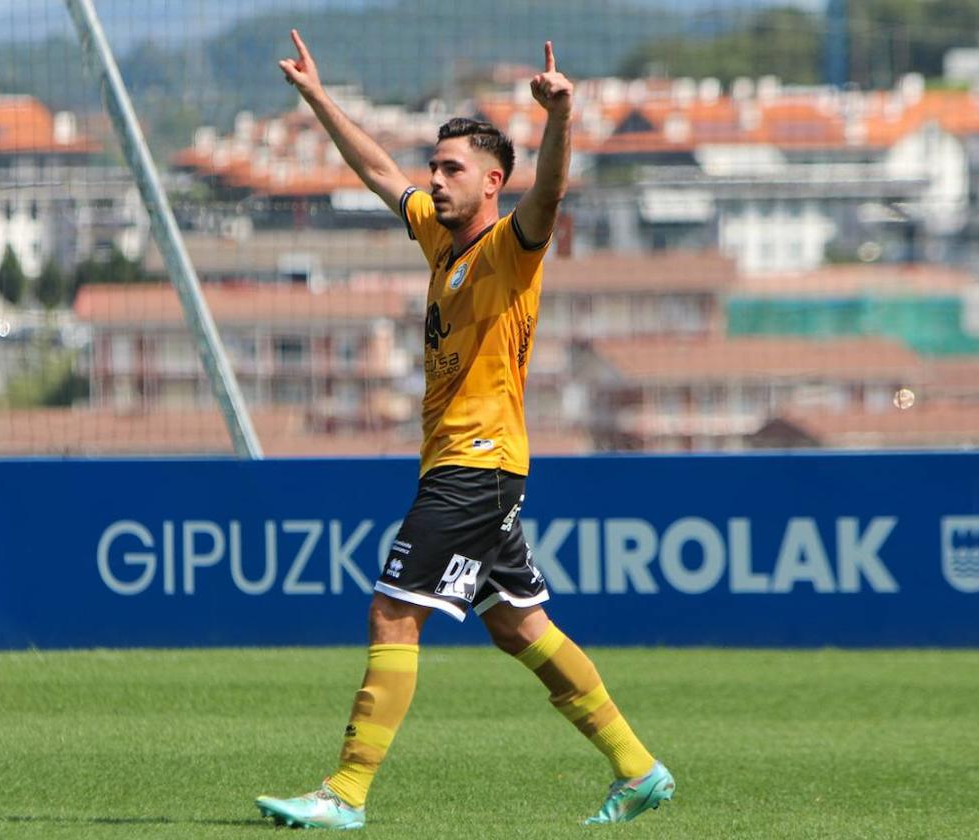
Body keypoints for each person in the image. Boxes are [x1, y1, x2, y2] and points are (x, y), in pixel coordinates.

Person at [256, 30, 674, 830]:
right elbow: (379, 172)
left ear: (492, 184)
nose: (433, 181)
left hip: (474, 469)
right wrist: (317, 98)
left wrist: (560, 119)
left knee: (391, 612)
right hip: (476, 468)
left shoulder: (509, 249)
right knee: (521, 628)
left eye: (450, 170)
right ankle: (638, 767)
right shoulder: (439, 244)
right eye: (435, 167)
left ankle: (344, 794)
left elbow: (548, 195)